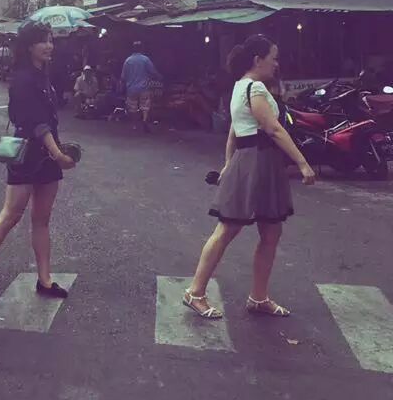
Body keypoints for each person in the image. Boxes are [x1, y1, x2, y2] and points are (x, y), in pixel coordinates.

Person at [183, 35, 317, 320]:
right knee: (228, 229)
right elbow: (274, 129)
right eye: (273, 58)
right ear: (258, 59)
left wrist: (228, 164)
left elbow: (233, 132)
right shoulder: (254, 88)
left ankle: (259, 297)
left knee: (271, 232)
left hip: (259, 163)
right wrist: (303, 163)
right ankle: (195, 292)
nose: (276, 64)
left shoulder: (241, 86)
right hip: (256, 161)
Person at [0, 21, 76, 300]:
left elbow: (48, 119)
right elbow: (36, 123)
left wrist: (56, 152)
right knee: (11, 215)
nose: (49, 46)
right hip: (27, 155)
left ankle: (45, 280)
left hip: (47, 156)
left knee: (42, 220)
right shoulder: (23, 79)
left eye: (50, 40)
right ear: (28, 46)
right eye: (43, 41)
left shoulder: (43, 75)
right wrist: (58, 154)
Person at [120, 41, 162, 133]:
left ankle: (135, 124)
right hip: (144, 87)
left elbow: (123, 76)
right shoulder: (145, 59)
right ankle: (144, 120)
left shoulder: (128, 61)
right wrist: (159, 77)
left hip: (131, 88)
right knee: (145, 106)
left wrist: (122, 87)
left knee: (132, 107)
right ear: (141, 48)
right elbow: (153, 72)